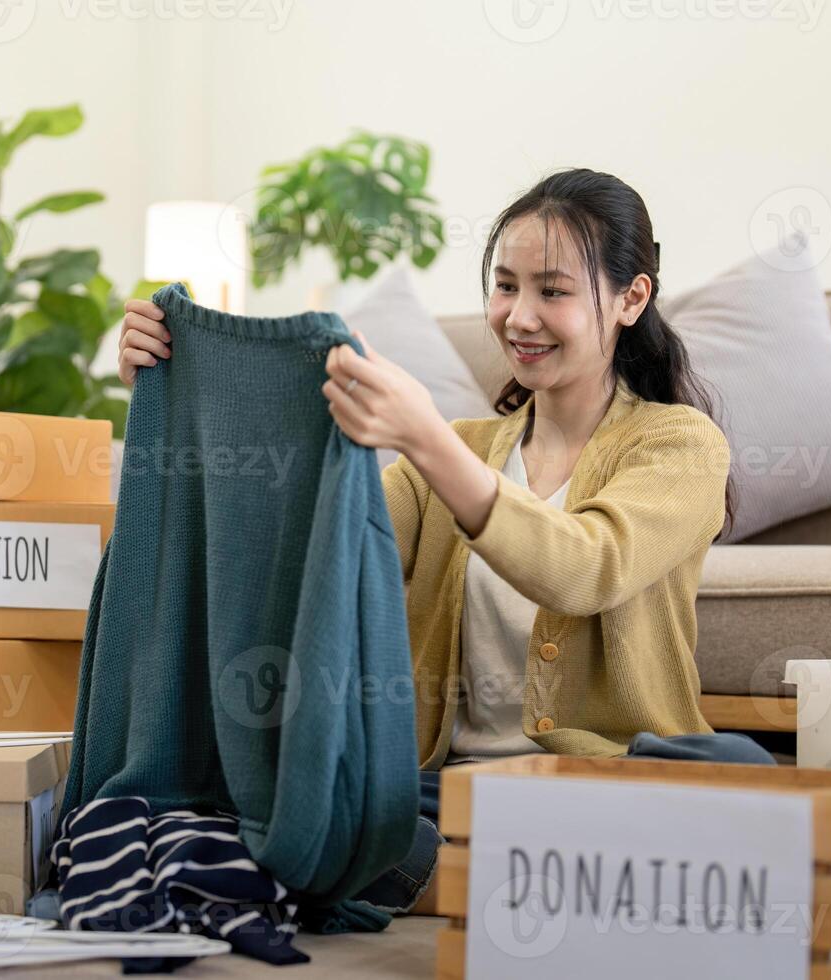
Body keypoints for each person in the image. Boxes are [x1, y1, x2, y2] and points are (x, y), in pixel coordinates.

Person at [116, 168, 772, 917]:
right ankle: (503, 876)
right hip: (449, 790)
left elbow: (586, 568)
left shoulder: (678, 444)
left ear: (632, 298)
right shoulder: (457, 452)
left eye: (553, 292)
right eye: (505, 286)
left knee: (737, 772)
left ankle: (466, 876)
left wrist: (425, 438)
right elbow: (308, 554)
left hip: (605, 776)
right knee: (267, 808)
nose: (519, 317)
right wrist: (177, 388)